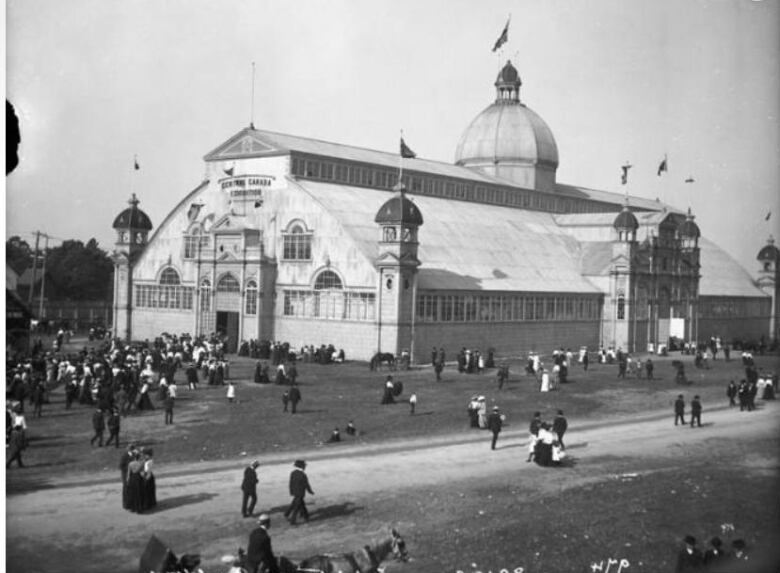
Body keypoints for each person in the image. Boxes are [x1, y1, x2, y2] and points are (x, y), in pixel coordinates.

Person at [284, 459, 314, 525]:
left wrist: (291, 491)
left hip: (295, 492)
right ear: (302, 467)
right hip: (300, 493)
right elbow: (306, 484)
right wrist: (310, 491)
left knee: (298, 504)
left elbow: (291, 483)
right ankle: (292, 521)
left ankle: (305, 516)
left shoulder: (293, 473)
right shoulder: (303, 474)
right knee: (297, 507)